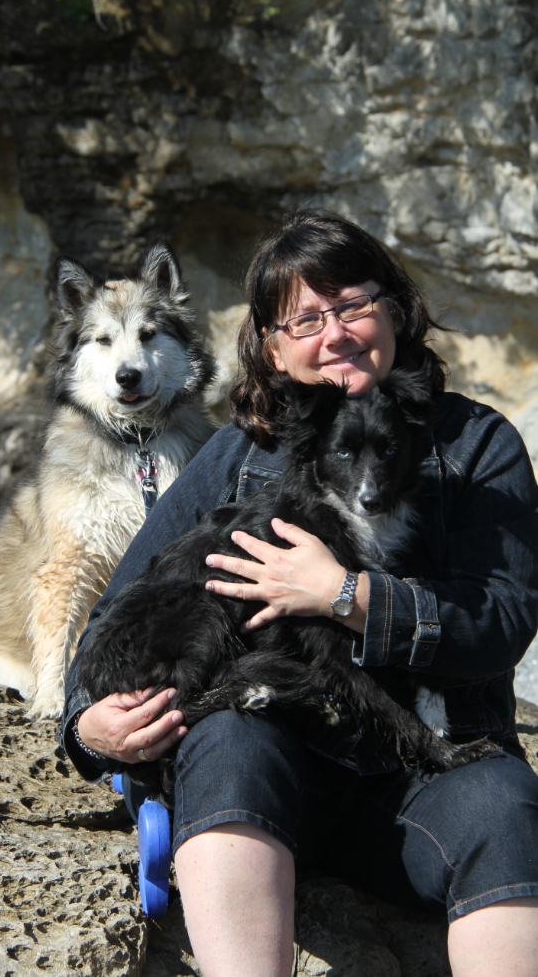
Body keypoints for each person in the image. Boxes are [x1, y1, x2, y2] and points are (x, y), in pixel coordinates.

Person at [61, 211, 538, 977]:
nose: (336, 333)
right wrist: (90, 730)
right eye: (305, 319)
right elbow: (115, 618)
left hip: (417, 781)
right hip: (267, 770)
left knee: (504, 799)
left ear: (396, 309)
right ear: (273, 349)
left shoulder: (478, 446)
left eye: (351, 305)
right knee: (226, 738)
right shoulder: (233, 456)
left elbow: (504, 619)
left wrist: (352, 597)